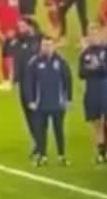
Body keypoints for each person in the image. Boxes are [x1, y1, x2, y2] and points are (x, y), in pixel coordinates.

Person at [25, 33, 72, 166]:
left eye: (49, 45)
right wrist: (30, 100)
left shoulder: (61, 61)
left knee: (59, 130)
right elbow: (29, 83)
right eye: (44, 45)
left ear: (54, 46)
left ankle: (61, 156)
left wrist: (68, 99)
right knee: (41, 131)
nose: (47, 48)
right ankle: (42, 156)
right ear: (41, 46)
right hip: (40, 103)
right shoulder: (34, 62)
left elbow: (67, 80)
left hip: (58, 103)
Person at [79, 22, 107, 164]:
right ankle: (101, 152)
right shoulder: (85, 53)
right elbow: (81, 73)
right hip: (92, 91)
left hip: (106, 90)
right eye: (90, 34)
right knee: (96, 122)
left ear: (100, 35)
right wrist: (91, 69)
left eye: (95, 34)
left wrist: (97, 67)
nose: (93, 37)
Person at [7, 16, 43, 153]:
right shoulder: (17, 41)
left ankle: (40, 144)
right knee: (28, 114)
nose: (20, 29)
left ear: (30, 26)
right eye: (19, 26)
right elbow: (11, 58)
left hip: (35, 82)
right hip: (23, 83)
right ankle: (37, 143)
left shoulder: (38, 41)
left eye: (22, 26)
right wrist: (12, 78)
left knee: (36, 114)